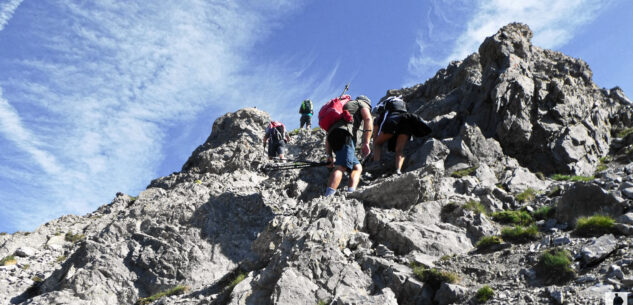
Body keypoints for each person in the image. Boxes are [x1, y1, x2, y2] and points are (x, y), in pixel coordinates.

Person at [324, 95, 373, 196]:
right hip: (346, 135)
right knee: (341, 166)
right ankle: (327, 196)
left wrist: (329, 155)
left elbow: (329, 136)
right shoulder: (361, 103)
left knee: (357, 167)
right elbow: (368, 119)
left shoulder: (345, 106)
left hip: (333, 135)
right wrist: (366, 142)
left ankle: (351, 192)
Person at [372, 96, 412, 175]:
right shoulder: (402, 104)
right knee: (400, 149)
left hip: (393, 120)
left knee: (377, 143)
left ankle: (376, 164)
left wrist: (374, 149)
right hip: (407, 121)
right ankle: (398, 170)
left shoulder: (383, 109)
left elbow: (376, 134)